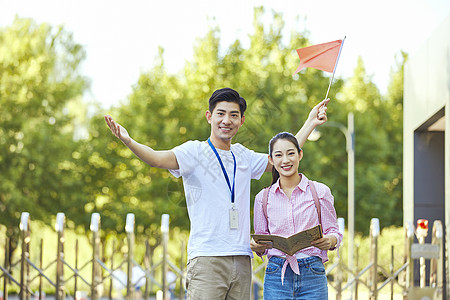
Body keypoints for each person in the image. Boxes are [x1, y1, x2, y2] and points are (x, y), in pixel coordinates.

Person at [105, 87, 329, 299]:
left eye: (233, 115)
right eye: (220, 113)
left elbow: (284, 156)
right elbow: (156, 158)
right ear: (209, 116)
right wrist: (128, 140)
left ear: (241, 121)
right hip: (207, 259)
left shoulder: (243, 156)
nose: (226, 120)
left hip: (242, 259)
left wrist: (310, 123)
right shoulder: (193, 151)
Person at [251, 131, 343, 299]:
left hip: (312, 272)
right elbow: (262, 237)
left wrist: (329, 240)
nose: (285, 160)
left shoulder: (320, 192)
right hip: (276, 273)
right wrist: (257, 246)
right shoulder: (262, 198)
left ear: (300, 154)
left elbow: (334, 232)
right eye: (278, 155)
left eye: (291, 153)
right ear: (271, 160)